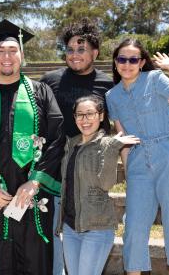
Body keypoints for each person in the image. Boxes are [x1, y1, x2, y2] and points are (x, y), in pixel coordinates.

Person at [0, 19, 65, 275]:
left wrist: (36, 182)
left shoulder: (41, 92)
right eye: (1, 51)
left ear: (21, 55)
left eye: (13, 50)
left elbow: (57, 138)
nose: (7, 57)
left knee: (36, 263)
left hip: (34, 198)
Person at [105, 39, 169, 275]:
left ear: (142, 62)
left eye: (133, 59)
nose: (127, 64)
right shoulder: (112, 95)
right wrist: (129, 175)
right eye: (122, 59)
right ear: (116, 63)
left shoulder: (155, 79)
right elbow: (123, 139)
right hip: (137, 162)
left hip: (168, 154)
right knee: (134, 227)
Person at [40, 19, 112, 274]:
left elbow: (124, 120)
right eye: (70, 49)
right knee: (58, 242)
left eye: (81, 49)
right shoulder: (50, 80)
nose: (75, 54)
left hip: (89, 178)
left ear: (95, 53)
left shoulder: (107, 85)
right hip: (54, 173)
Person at [56, 95, 140, 275]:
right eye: (80, 115)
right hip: (71, 227)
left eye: (90, 114)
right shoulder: (71, 144)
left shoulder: (107, 144)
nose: (84, 120)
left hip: (97, 227)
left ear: (101, 116)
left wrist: (112, 149)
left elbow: (106, 183)